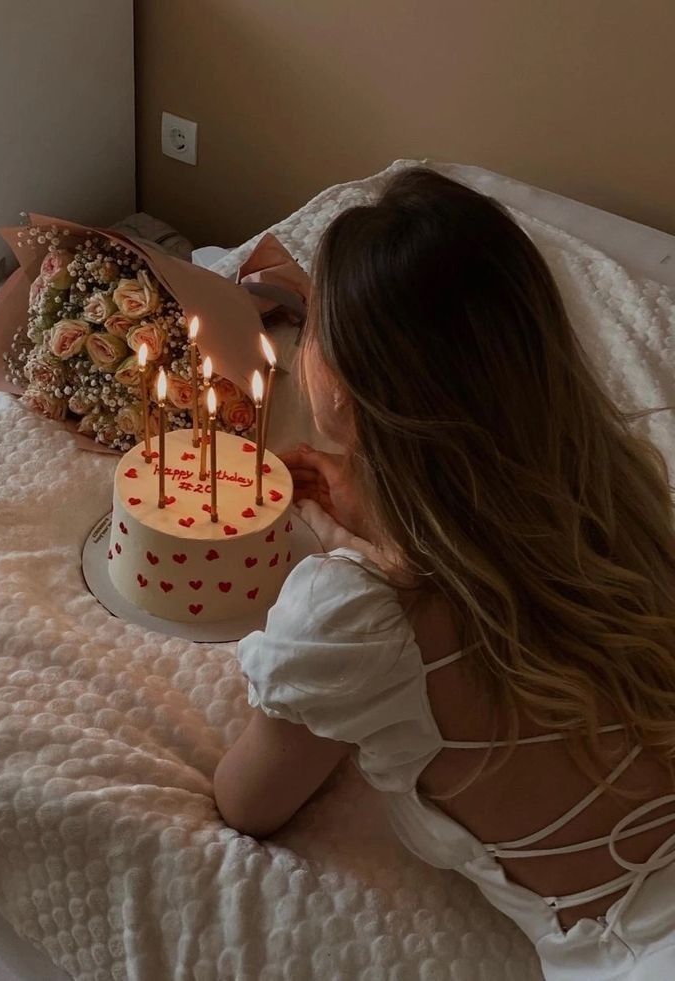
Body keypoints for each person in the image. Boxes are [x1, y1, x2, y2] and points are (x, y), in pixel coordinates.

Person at [213, 168, 675, 979]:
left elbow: (247, 801)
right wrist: (385, 518)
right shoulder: (621, 488)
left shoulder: (350, 622)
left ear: (342, 391)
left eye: (310, 326)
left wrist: (358, 569)